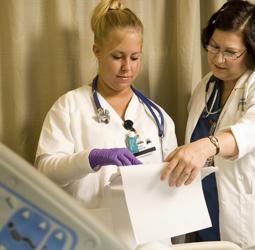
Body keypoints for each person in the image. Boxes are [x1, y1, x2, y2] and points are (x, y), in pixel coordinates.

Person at [160, 1, 255, 249]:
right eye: (214, 46)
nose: (218, 58)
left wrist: (207, 145)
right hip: (208, 219)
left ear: (252, 51)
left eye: (230, 52)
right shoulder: (203, 89)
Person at [35, 0, 177, 249]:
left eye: (135, 57)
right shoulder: (69, 107)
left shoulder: (157, 117)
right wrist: (91, 159)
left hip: (150, 240)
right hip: (89, 236)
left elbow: (171, 187)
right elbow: (45, 172)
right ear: (96, 50)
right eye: (117, 57)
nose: (127, 68)